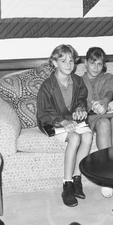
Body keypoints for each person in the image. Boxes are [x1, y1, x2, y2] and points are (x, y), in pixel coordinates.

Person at [36, 44, 93, 207]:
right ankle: (67, 185)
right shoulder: (47, 86)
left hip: (71, 120)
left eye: (71, 60)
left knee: (88, 135)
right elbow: (44, 112)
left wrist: (80, 110)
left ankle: (77, 179)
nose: (69, 64)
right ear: (54, 63)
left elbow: (81, 100)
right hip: (52, 121)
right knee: (74, 138)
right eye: (63, 60)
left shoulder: (78, 81)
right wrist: (63, 122)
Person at [81, 47, 113, 198]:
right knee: (103, 124)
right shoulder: (79, 81)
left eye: (99, 64)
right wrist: (92, 105)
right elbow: (79, 100)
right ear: (85, 63)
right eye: (92, 63)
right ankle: (107, 175)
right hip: (94, 116)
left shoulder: (108, 77)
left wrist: (105, 102)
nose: (96, 67)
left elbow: (111, 89)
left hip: (111, 112)